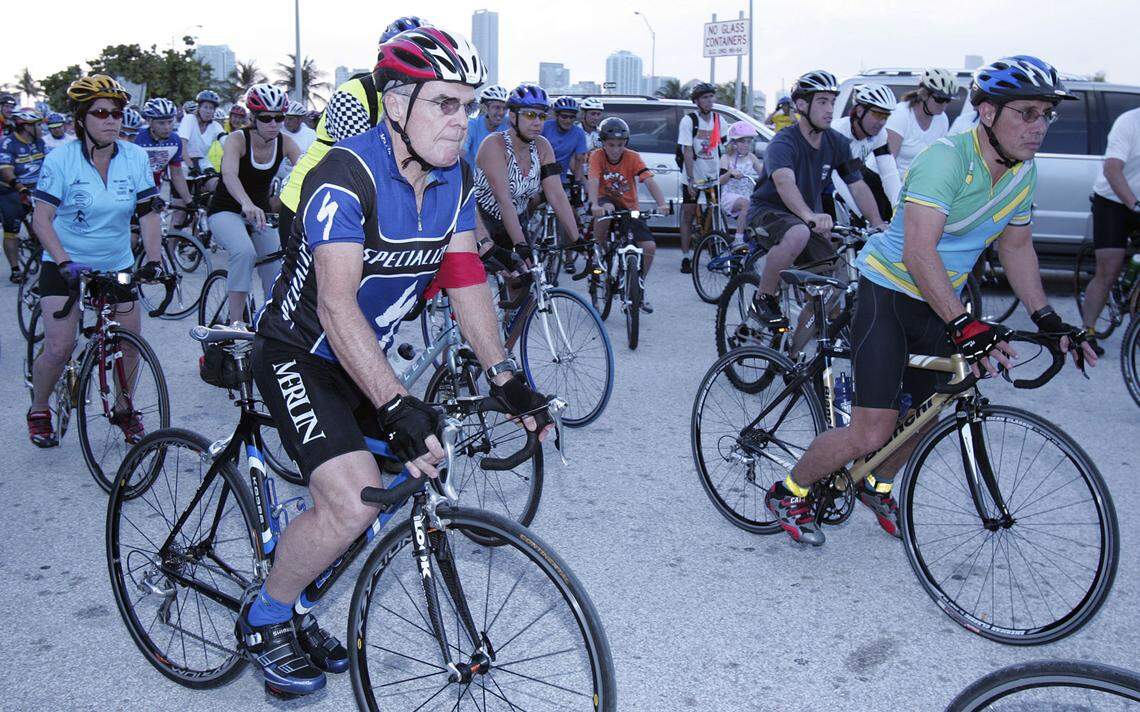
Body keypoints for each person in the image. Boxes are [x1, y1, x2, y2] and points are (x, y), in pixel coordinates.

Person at [244, 26, 550, 697]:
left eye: (469, 105)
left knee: (422, 462)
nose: (461, 120)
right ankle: (267, 615)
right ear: (395, 104)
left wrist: (505, 377)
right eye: (445, 103)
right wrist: (394, 401)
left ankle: (301, 574)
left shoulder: (457, 178)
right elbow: (333, 306)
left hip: (360, 357)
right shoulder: (344, 175)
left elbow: (466, 275)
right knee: (353, 501)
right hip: (303, 352)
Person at [765, 56, 1095, 547]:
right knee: (870, 431)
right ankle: (789, 490)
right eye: (1026, 113)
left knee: (933, 405)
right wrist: (965, 324)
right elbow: (919, 252)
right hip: (890, 290)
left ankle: (875, 483)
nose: (1039, 126)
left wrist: (1047, 319)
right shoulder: (947, 159)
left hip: (938, 298)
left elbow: (1017, 245)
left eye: (1047, 114)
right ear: (987, 113)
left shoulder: (1022, 171)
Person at [28, 75, 164, 447]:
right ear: (80, 119)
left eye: (117, 113)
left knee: (131, 342)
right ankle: (39, 407)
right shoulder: (61, 160)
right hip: (64, 261)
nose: (111, 120)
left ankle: (124, 407)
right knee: (59, 347)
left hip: (115, 262)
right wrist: (63, 262)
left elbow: (149, 213)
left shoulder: (135, 157)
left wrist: (153, 261)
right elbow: (41, 219)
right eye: (101, 112)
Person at [746, 70, 887, 329]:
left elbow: (857, 185)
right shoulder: (784, 141)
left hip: (805, 220)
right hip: (768, 212)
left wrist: (878, 222)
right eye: (822, 101)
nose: (830, 109)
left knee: (829, 289)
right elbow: (783, 181)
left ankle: (794, 353)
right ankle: (763, 298)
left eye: (833, 102)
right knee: (798, 232)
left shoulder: (837, 143)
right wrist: (810, 216)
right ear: (802, 105)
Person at [277, 15, 428, 248]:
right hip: (310, 200)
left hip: (357, 205)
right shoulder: (351, 96)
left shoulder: (415, 102)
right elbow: (360, 166)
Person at [208, 84, 299, 324]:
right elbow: (228, 175)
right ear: (253, 117)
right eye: (266, 118)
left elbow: (306, 171)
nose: (274, 124)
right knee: (244, 252)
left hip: (260, 213)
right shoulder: (237, 139)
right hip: (226, 209)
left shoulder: (286, 143)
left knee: (276, 263)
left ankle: (273, 322)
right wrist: (246, 203)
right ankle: (235, 323)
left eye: (279, 118)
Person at [473, 83, 581, 265]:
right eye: (530, 115)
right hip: (483, 222)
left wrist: (576, 238)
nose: (537, 122)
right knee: (499, 276)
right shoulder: (494, 144)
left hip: (517, 218)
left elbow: (556, 194)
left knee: (525, 280)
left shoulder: (543, 146)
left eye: (542, 116)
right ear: (513, 116)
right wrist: (520, 244)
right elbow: (504, 200)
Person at [588, 116, 672, 313]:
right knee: (606, 210)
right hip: (605, 201)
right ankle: (597, 251)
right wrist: (593, 204)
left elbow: (649, 181)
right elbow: (592, 180)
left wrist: (662, 204)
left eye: (620, 144)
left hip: (629, 208)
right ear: (603, 143)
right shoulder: (596, 156)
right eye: (611, 145)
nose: (616, 149)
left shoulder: (633, 157)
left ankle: (637, 286)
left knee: (649, 246)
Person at [1082, 100, 1140, 354]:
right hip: (1113, 201)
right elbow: (1112, 168)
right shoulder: (1129, 122)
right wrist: (1134, 205)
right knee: (1108, 270)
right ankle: (1087, 331)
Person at [832, 83, 902, 222]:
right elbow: (838, 179)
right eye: (877, 114)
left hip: (849, 184)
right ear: (859, 111)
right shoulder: (839, 132)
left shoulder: (879, 135)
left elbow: (889, 174)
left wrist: (899, 210)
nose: (882, 122)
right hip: (822, 188)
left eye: (886, 116)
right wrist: (865, 217)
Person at [678, 82, 723, 274]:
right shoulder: (689, 120)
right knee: (688, 214)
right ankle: (686, 257)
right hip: (694, 176)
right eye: (705, 97)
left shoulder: (718, 120)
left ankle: (715, 252)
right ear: (697, 101)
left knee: (714, 214)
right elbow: (687, 150)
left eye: (711, 96)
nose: (709, 100)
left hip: (712, 177)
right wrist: (690, 180)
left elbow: (725, 147)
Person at [885, 68, 959, 176]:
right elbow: (888, 165)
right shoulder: (900, 115)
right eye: (940, 99)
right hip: (881, 180)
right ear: (924, 95)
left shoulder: (942, 119)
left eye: (948, 100)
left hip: (912, 183)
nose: (944, 105)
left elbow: (936, 159)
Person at [1, 108, 46, 281]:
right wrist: (21, 188)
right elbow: (6, 171)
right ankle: (15, 270)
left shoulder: (40, 142)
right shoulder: (8, 144)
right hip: (12, 190)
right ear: (27, 127)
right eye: (38, 125)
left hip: (37, 189)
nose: (41, 129)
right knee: (11, 231)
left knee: (45, 225)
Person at [136, 98, 192, 208]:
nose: (167, 127)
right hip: (131, 188)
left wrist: (189, 201)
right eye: (161, 123)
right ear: (149, 121)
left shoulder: (175, 141)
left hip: (154, 189)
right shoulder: (137, 138)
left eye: (170, 122)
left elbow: (177, 174)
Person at [719, 121, 764, 245]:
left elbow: (764, 175)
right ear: (733, 143)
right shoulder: (726, 158)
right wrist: (730, 173)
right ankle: (738, 239)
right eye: (742, 141)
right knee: (746, 204)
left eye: (749, 142)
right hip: (730, 195)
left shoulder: (752, 158)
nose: (746, 145)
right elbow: (721, 180)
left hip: (747, 195)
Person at [178, 89, 223, 173]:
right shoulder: (190, 119)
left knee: (214, 183)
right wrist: (191, 166)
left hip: (203, 163)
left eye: (211, 108)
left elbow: (226, 142)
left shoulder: (215, 126)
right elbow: (182, 145)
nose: (208, 111)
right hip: (184, 161)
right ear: (199, 108)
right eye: (205, 107)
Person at [462, 83, 507, 167]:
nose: (501, 112)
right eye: (496, 107)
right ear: (484, 108)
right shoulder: (472, 125)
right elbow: (462, 151)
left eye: (504, 108)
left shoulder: (507, 122)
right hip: (475, 178)